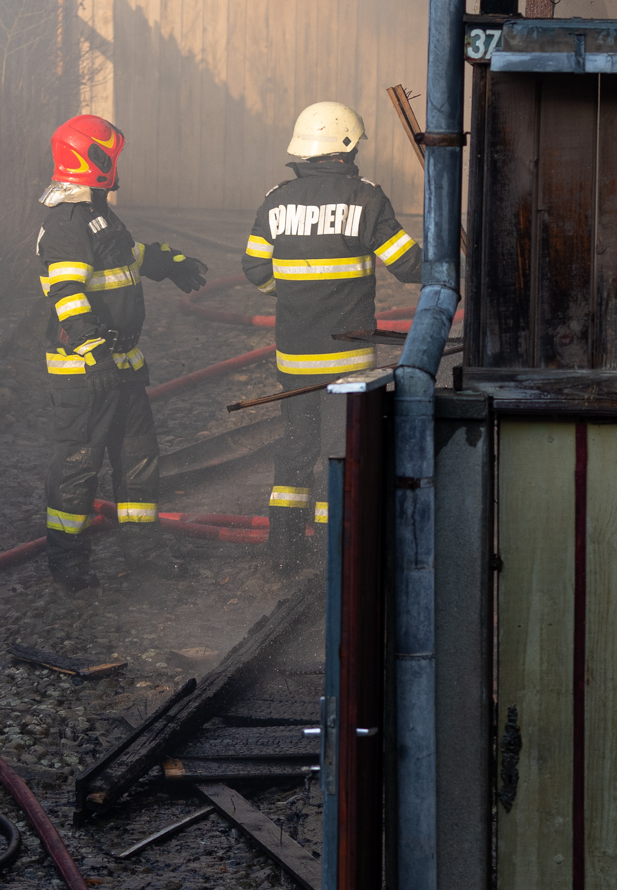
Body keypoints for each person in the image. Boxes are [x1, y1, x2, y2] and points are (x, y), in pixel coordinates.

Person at [35, 114, 207, 592]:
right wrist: (93, 353)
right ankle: (70, 567)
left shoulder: (97, 214)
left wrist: (167, 263)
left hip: (123, 364)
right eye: (109, 154)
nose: (116, 163)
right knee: (78, 465)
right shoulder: (67, 222)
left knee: (138, 460)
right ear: (91, 158)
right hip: (85, 371)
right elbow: (67, 294)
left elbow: (124, 256)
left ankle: (145, 553)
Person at [241, 102, 416, 568]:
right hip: (348, 362)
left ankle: (282, 553)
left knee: (296, 449)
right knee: (341, 453)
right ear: (345, 146)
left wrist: (296, 292)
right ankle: (332, 556)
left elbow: (255, 269)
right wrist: (455, 261)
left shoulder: (275, 200)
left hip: (295, 358)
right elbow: (408, 265)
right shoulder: (366, 198)